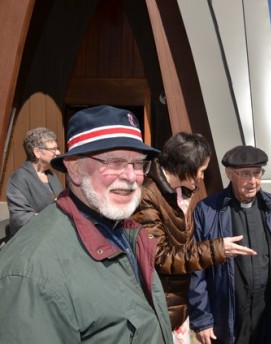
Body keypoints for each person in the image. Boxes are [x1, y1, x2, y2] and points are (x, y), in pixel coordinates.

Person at [0, 105, 173, 343]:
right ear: (75, 168)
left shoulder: (127, 231)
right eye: (114, 162)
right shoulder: (30, 272)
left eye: (138, 163)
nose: (131, 177)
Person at [132, 132, 256, 343]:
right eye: (201, 170)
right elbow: (160, 257)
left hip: (179, 304)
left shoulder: (183, 191)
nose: (201, 177)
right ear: (185, 166)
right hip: (160, 305)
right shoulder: (147, 196)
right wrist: (216, 249)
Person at [189, 145, 271, 344]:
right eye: (245, 174)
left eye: (257, 173)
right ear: (229, 173)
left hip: (269, 312)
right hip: (228, 316)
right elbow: (196, 270)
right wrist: (202, 319)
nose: (253, 182)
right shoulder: (207, 211)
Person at [6, 127, 63, 235]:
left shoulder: (51, 175)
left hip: (55, 234)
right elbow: (20, 217)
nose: (58, 152)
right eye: (53, 149)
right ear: (37, 152)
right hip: (31, 240)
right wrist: (51, 214)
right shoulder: (19, 178)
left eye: (57, 148)